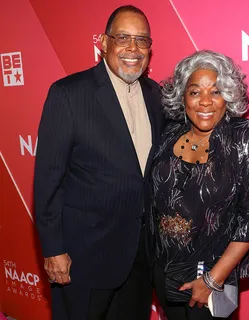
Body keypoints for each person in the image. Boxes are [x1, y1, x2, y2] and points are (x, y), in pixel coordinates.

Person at [34, 5, 164, 320]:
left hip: (140, 258)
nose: (133, 48)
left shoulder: (157, 95)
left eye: (142, 40)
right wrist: (53, 250)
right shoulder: (68, 94)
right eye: (123, 38)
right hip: (83, 258)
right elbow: (48, 181)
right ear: (104, 44)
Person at [150, 50, 249, 320]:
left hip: (212, 279)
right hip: (165, 272)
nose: (205, 102)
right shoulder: (169, 133)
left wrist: (212, 280)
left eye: (215, 92)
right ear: (183, 97)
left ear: (228, 96)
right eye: (195, 92)